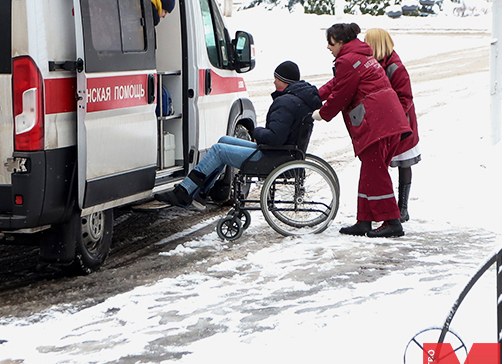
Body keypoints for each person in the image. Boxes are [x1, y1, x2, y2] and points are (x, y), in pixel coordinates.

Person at [155, 61, 321, 207]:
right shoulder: (298, 100)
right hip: (283, 152)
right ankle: (201, 192)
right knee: (224, 140)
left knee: (219, 150)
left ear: (283, 81)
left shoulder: (285, 102)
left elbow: (275, 138)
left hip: (273, 156)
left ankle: (185, 192)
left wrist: (256, 132)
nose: (273, 81)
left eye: (276, 77)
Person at [316, 23, 411, 238]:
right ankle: (364, 220)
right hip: (387, 121)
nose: (328, 48)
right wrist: (314, 95)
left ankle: (392, 222)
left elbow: (341, 94)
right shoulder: (361, 56)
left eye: (330, 43)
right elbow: (338, 84)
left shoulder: (347, 60)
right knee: (371, 172)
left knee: (376, 173)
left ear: (341, 42)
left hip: (377, 123)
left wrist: (321, 113)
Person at [363, 28, 421, 223]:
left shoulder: (395, 67)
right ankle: (386, 207)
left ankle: (402, 207)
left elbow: (406, 98)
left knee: (403, 163)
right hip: (384, 124)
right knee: (382, 165)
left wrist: (393, 116)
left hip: (401, 125)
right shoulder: (374, 64)